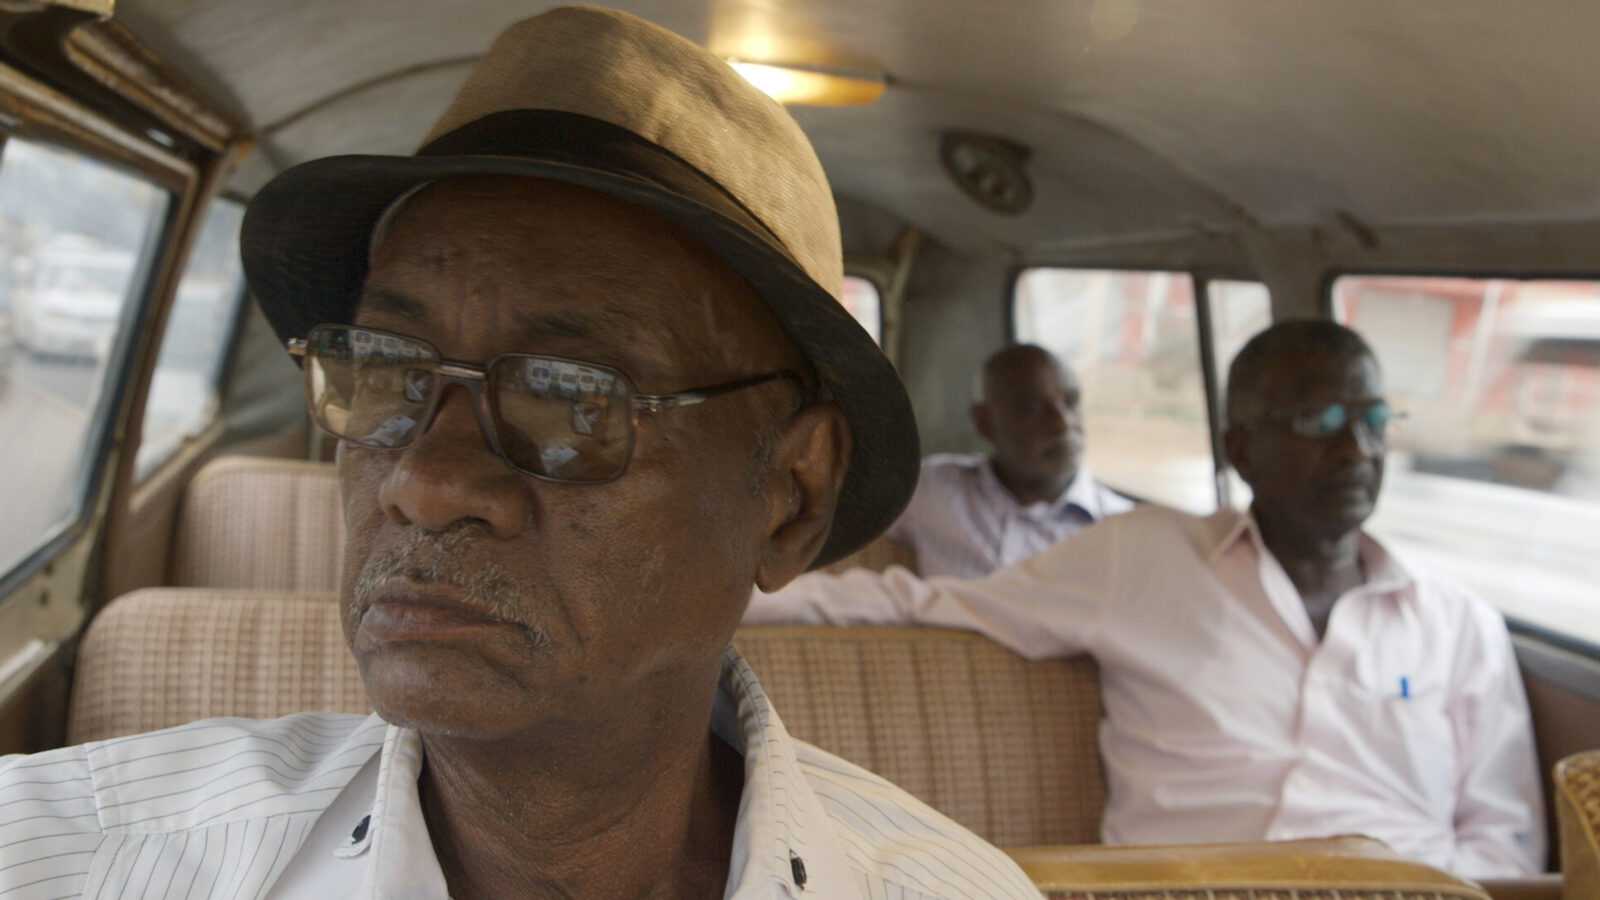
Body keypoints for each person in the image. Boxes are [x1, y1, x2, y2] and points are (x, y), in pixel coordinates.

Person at [0, 9, 1042, 899]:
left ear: (791, 497)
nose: (424, 482)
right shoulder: (74, 858)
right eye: (383, 368)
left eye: (572, 397)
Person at [749, 320, 1545, 879]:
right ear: (1239, 447)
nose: (1356, 447)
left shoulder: (1459, 626)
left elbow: (1504, 844)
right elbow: (923, 602)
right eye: (1318, 419)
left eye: (1373, 418)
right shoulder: (1142, 557)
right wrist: (741, 589)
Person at [886, 344, 1132, 577]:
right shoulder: (931, 489)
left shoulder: (1124, 529)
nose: (1062, 424)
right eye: (1033, 408)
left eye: (1070, 402)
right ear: (984, 422)